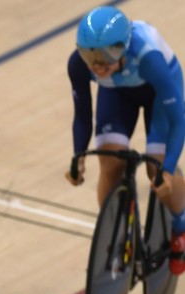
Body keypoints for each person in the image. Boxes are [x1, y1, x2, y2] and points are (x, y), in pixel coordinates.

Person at [65, 6, 185, 273]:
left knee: (156, 168)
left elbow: (179, 121)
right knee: (109, 163)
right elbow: (82, 115)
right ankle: (114, 234)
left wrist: (167, 170)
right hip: (119, 94)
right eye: (89, 54)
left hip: (158, 93)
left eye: (106, 54)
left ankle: (181, 223)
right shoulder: (79, 65)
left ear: (124, 46)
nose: (97, 64)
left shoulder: (148, 58)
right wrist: (78, 156)